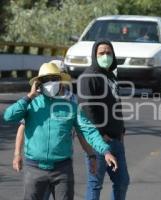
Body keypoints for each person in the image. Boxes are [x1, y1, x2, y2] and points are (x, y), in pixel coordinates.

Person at [4, 62, 118, 200]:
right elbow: (8, 116)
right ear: (38, 84)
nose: (51, 83)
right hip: (34, 170)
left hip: (62, 170)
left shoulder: (71, 107)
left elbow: (89, 130)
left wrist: (104, 151)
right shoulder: (31, 105)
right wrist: (29, 96)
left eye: (54, 79)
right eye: (46, 80)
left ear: (60, 81)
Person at [77, 40, 129, 200]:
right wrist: (100, 134)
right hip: (99, 142)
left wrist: (121, 131)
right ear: (94, 55)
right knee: (95, 184)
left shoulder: (111, 76)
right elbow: (87, 108)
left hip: (116, 140)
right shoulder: (89, 77)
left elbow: (116, 105)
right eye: (101, 53)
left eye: (109, 53)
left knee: (122, 181)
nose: (105, 56)